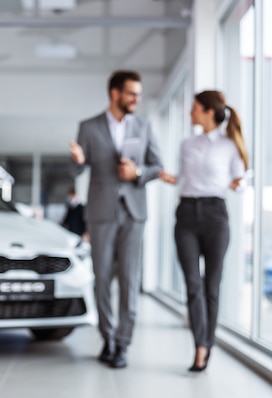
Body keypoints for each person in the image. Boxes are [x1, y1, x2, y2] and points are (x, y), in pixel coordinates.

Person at [69, 69, 163, 368]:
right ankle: (107, 337)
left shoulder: (144, 126)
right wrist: (78, 162)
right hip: (100, 211)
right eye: (132, 93)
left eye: (138, 93)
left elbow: (157, 166)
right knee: (102, 278)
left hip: (134, 212)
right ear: (115, 94)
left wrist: (137, 173)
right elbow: (76, 172)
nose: (137, 98)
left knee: (129, 279)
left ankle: (123, 343)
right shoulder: (89, 127)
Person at [159, 90, 248, 372]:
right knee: (192, 285)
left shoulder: (230, 145)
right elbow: (183, 178)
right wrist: (170, 178)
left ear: (209, 111)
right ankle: (199, 345)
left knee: (211, 285)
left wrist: (239, 184)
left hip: (215, 215)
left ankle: (207, 344)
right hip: (186, 213)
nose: (190, 112)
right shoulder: (187, 144)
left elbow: (241, 178)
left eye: (195, 107)